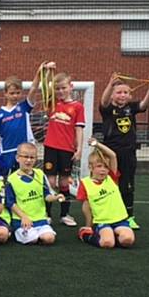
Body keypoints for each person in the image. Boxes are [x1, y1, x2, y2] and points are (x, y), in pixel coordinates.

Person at [99, 73, 149, 230]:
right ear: (112, 95)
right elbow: (103, 102)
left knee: (127, 185)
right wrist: (111, 84)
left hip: (128, 153)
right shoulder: (108, 109)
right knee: (110, 184)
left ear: (130, 95)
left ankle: (129, 216)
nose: (122, 95)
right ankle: (109, 213)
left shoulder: (131, 108)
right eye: (119, 92)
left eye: (125, 92)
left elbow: (145, 105)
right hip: (110, 154)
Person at [0, 63, 48, 178]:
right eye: (12, 93)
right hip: (7, 153)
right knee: (8, 181)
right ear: (5, 93)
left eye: (18, 93)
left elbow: (33, 89)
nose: (15, 96)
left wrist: (39, 73)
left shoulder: (24, 107)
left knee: (25, 178)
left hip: (24, 153)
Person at [42, 72, 85, 227]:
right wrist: (48, 72)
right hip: (51, 147)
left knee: (64, 182)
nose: (60, 91)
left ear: (71, 87)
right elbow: (44, 88)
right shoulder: (52, 103)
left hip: (67, 149)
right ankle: (46, 214)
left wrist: (79, 149)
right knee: (50, 181)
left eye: (63, 88)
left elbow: (79, 129)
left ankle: (64, 214)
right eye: (57, 88)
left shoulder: (78, 107)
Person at [76, 138, 135, 248]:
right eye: (99, 166)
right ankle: (84, 235)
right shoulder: (85, 183)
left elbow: (112, 155)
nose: (103, 170)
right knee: (107, 243)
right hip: (102, 221)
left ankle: (114, 234)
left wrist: (97, 144)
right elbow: (86, 207)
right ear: (90, 167)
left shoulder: (111, 178)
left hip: (120, 219)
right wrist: (88, 226)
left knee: (128, 240)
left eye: (106, 167)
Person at [6, 142, 65, 245]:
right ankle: (19, 232)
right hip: (21, 220)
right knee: (32, 239)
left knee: (49, 239)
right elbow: (10, 203)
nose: (29, 160)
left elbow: (47, 195)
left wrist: (55, 197)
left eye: (32, 157)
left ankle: (38, 233)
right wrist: (23, 216)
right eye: (25, 157)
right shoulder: (11, 179)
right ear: (17, 158)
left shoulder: (40, 174)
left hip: (40, 219)